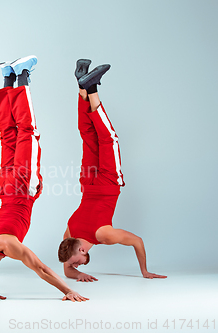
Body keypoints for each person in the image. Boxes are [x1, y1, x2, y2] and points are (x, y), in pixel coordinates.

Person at [0, 56, 88, 302]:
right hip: (5, 188)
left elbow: (39, 267)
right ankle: (7, 76)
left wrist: (68, 291)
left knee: (27, 132)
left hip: (20, 186)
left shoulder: (7, 244)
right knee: (8, 135)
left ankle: (23, 75)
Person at [57, 59, 167, 282]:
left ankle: (93, 88)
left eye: (76, 262)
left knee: (109, 139)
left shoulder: (103, 236)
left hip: (107, 183)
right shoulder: (69, 233)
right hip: (87, 183)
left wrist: (144, 271)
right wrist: (77, 274)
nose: (75, 266)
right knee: (88, 137)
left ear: (80, 251)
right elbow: (67, 269)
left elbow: (137, 241)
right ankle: (82, 85)